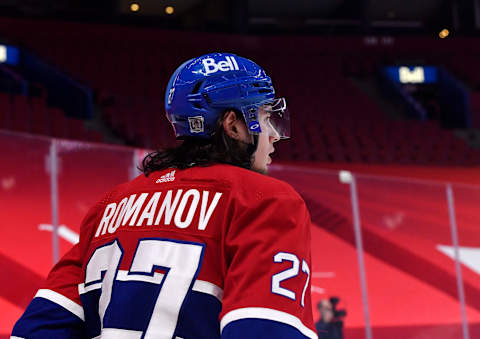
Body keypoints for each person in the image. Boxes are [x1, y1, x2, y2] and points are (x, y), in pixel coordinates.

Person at [12, 52, 317, 339]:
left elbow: (35, 331)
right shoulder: (265, 199)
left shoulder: (110, 206)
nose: (275, 134)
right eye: (265, 118)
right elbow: (265, 331)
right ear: (234, 125)